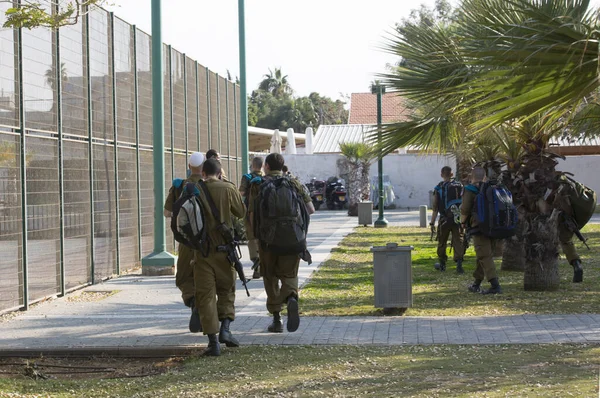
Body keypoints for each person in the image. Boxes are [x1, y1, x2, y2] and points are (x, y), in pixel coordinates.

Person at [248, 153, 315, 333]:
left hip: (268, 242)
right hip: (293, 240)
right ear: (282, 166)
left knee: (270, 277)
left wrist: (256, 239)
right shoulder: (295, 183)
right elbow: (311, 209)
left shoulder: (258, 185)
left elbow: (252, 215)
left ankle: (277, 319)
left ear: (266, 167)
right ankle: (291, 297)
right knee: (289, 274)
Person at [193, 158, 246, 356]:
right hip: (225, 252)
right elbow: (240, 212)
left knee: (206, 296)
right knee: (227, 290)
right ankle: (226, 329)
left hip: (202, 253)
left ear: (203, 173)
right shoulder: (227, 188)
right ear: (220, 171)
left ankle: (213, 342)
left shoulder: (194, 189)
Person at [163, 151, 204, 333]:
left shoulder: (180, 186)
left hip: (187, 242)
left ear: (189, 167)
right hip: (206, 242)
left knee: (184, 277)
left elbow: (167, 212)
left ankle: (193, 299)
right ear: (204, 168)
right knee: (207, 277)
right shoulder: (209, 185)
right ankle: (207, 309)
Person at [461, 166, 502, 294]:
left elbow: (465, 210)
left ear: (471, 177)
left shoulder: (470, 190)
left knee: (484, 256)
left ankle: (495, 285)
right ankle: (476, 284)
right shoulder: (491, 188)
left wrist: (462, 223)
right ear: (484, 177)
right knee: (483, 256)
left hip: (478, 227)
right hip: (494, 227)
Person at [430, 166, 464, 273]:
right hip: (457, 218)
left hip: (445, 219)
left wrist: (432, 223)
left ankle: (442, 264)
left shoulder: (439, 188)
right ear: (452, 174)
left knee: (442, 241)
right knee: (458, 240)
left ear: (441, 174)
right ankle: (459, 264)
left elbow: (435, 207)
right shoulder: (459, 186)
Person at [239, 156, 264, 279]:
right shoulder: (266, 178)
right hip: (265, 213)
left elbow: (241, 193)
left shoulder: (247, 178)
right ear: (262, 166)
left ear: (253, 165)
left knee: (252, 239)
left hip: (250, 212)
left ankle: (257, 265)